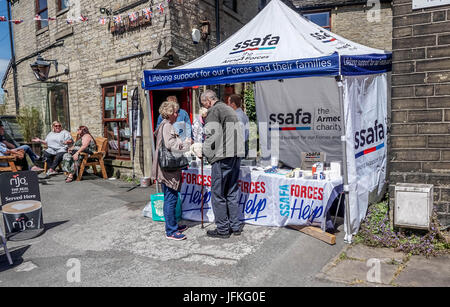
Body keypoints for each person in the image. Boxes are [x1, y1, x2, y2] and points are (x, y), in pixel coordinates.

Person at [197, 89, 245, 239]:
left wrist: (202, 151)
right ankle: (235, 226)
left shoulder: (214, 110)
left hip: (223, 157)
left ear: (207, 101)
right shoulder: (228, 109)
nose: (204, 107)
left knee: (218, 194)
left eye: (203, 104)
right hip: (235, 155)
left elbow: (212, 135)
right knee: (231, 192)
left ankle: (223, 229)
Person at [152, 100, 192, 241]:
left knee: (171, 196)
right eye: (175, 111)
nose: (177, 114)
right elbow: (171, 144)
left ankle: (173, 224)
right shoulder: (167, 126)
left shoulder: (165, 125)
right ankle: (171, 231)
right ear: (169, 113)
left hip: (166, 167)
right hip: (168, 168)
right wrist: (185, 144)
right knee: (171, 198)